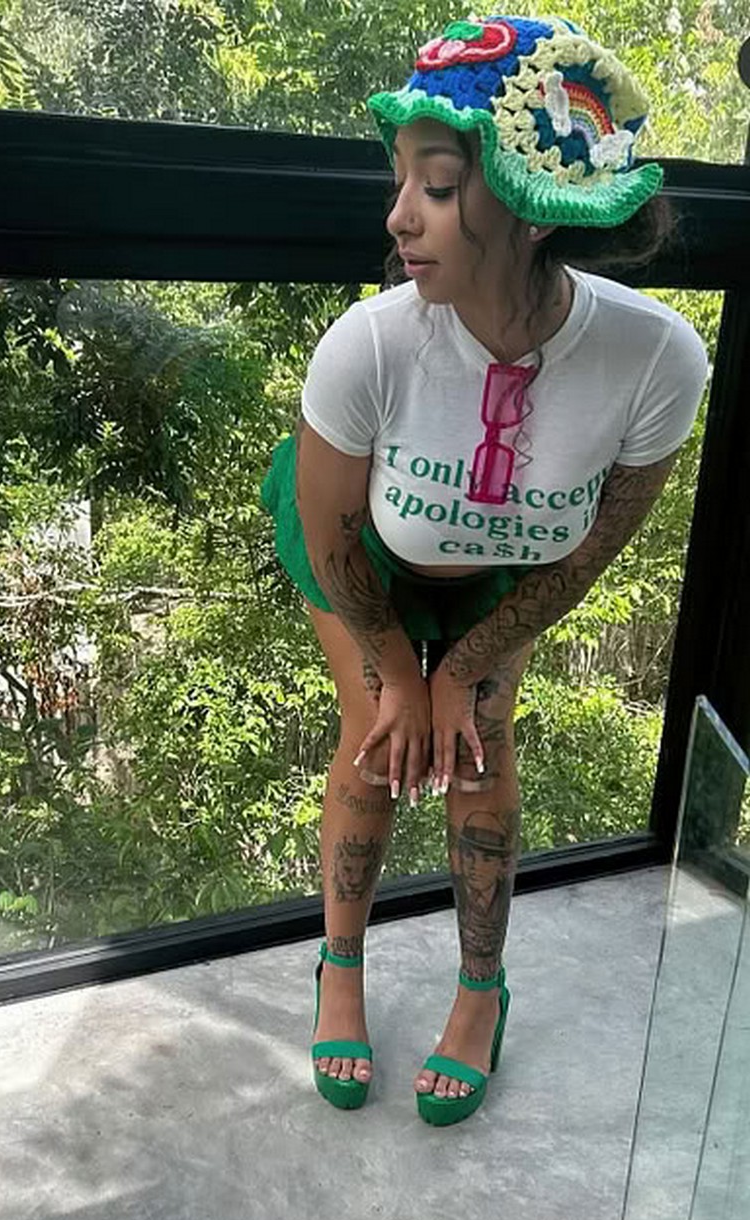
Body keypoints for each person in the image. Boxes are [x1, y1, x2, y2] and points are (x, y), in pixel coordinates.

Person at [259, 13, 710, 1125]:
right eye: (400, 182)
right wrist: (400, 677)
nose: (398, 217)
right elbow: (332, 541)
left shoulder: (656, 358)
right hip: (366, 558)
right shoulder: (370, 344)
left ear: (528, 204)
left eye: (439, 186)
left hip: (509, 573)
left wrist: (462, 671)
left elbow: (593, 547)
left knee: (477, 748)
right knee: (375, 740)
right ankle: (339, 971)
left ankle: (479, 992)